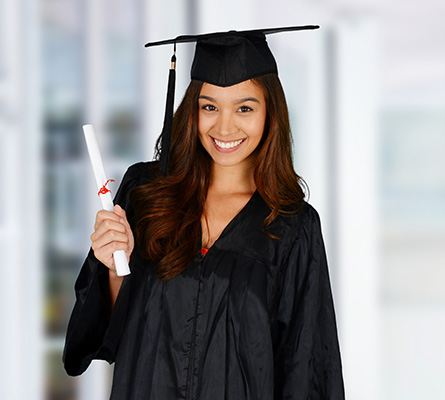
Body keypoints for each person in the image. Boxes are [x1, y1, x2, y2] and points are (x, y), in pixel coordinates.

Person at [63, 26, 345, 399]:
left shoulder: (292, 226)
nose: (224, 126)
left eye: (244, 107)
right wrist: (115, 270)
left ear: (270, 113)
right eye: (209, 106)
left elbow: (306, 366)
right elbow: (106, 337)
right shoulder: (145, 192)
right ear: (192, 110)